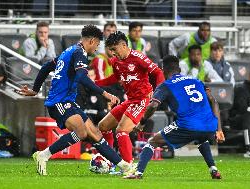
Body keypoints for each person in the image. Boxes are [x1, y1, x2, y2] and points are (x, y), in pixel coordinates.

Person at [18, 25, 132, 176]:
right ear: (91, 41)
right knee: (81, 132)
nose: (96, 49)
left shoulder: (70, 51)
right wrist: (104, 93)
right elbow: (81, 77)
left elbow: (46, 67)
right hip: (59, 102)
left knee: (95, 134)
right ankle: (43, 155)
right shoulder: (79, 53)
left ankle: (125, 166)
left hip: (68, 102)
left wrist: (35, 89)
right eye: (97, 45)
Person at [123, 55, 225, 179]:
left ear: (163, 70)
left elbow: (153, 105)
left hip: (188, 125)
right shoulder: (197, 81)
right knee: (202, 139)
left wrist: (142, 123)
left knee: (152, 142)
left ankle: (138, 173)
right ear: (179, 69)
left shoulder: (166, 85)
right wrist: (219, 129)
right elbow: (214, 101)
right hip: (210, 125)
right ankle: (214, 170)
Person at [95, 31, 165, 163]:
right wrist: (95, 83)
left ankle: (129, 166)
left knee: (121, 130)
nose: (113, 53)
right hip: (131, 101)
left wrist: (158, 95)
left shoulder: (138, 57)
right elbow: (116, 77)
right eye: (110, 50)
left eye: (114, 49)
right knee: (103, 126)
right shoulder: (116, 61)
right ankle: (108, 160)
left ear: (123, 45)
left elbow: (158, 73)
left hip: (142, 100)